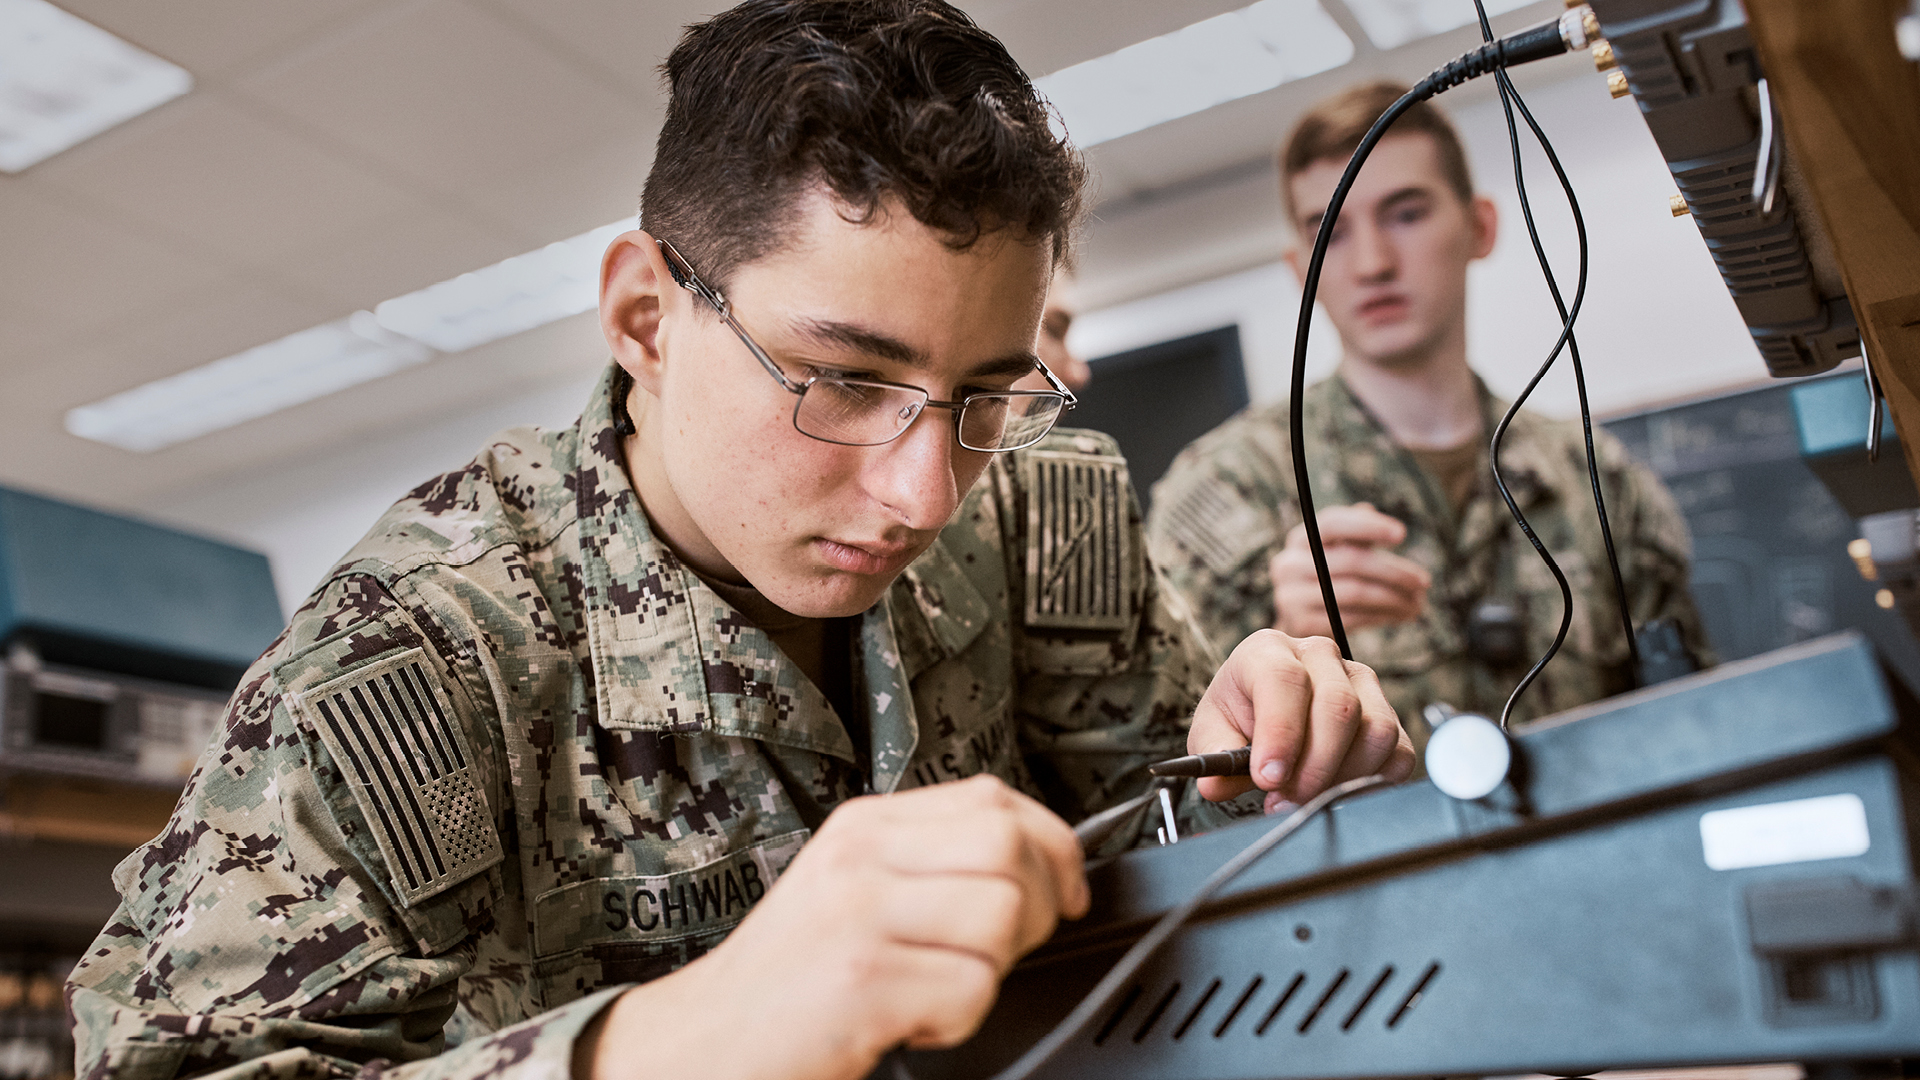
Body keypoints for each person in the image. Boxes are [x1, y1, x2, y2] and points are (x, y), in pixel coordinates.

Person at [68, 7, 1413, 1080]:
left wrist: (1269, 757)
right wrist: (670, 1046)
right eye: (843, 381)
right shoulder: (420, 651)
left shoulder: (1039, 515)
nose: (926, 493)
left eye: (989, 396)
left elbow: (1178, 846)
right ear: (647, 319)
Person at [1147, 81, 1711, 744]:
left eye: (1406, 214)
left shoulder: (1599, 482)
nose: (1373, 264)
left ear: (1480, 227)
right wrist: (1279, 646)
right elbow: (1177, 771)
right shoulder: (1223, 490)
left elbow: (1692, 722)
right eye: (1332, 231)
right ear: (1301, 268)